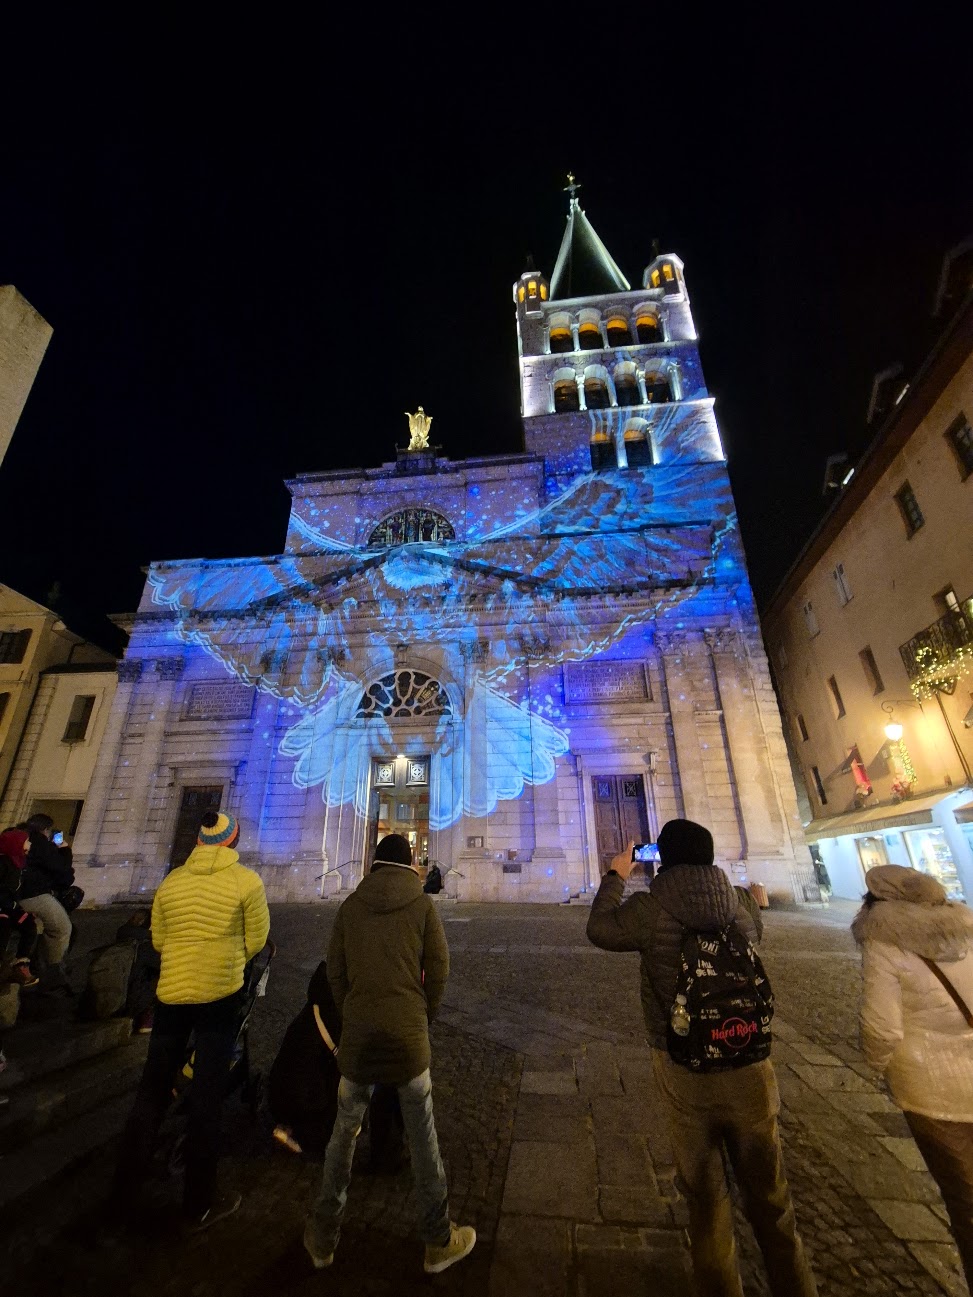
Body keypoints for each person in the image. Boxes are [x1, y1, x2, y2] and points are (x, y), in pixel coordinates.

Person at [586, 819, 817, 1297]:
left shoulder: (651, 908)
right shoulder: (736, 903)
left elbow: (600, 929)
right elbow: (756, 927)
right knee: (774, 1202)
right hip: (748, 1060)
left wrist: (616, 876)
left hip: (684, 1067)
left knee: (707, 1200)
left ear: (664, 859)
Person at [304, 832, 475, 1275]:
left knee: (342, 1137)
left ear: (374, 864)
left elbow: (335, 973)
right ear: (411, 864)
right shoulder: (422, 906)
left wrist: (353, 1012)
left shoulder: (350, 906)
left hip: (359, 1039)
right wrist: (423, 1014)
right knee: (424, 1140)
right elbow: (439, 969)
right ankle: (438, 1241)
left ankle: (322, 1239)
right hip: (407, 1039)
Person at [112, 810, 270, 1230]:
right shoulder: (246, 882)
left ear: (200, 841)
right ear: (232, 841)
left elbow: (160, 940)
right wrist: (227, 958)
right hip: (219, 996)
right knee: (207, 1096)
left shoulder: (172, 881)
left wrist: (186, 956)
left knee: (151, 1092)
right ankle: (198, 1202)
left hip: (172, 996)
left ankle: (122, 1196)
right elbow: (256, 940)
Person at [853, 864, 973, 1290]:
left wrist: (878, 1065)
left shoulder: (884, 942)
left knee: (965, 1197)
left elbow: (882, 1028)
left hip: (931, 1087)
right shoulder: (965, 929)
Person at [16, 815, 75, 985]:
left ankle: (40, 964)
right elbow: (62, 870)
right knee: (62, 928)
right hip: (33, 894)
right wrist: (65, 850)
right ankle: (53, 972)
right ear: (46, 829)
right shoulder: (40, 843)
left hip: (18, 893)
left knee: (43, 927)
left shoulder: (23, 839)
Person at [0, 829, 40, 987]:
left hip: (10, 907)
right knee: (3, 928)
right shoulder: (3, 863)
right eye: (26, 841)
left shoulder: (19, 862)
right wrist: (10, 906)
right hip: (3, 908)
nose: (29, 844)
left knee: (29, 925)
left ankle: (20, 965)